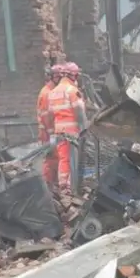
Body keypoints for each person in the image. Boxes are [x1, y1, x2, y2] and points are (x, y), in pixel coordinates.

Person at [47, 62, 86, 193]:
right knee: (73, 159)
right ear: (74, 75)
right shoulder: (72, 90)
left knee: (63, 159)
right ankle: (72, 187)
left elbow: (50, 114)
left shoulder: (53, 92)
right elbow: (79, 112)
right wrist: (84, 129)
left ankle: (63, 185)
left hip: (59, 131)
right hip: (72, 132)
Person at [37, 64, 63, 185]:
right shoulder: (47, 93)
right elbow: (46, 115)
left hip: (52, 132)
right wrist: (52, 133)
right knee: (51, 159)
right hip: (48, 133)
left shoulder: (52, 91)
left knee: (56, 159)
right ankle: (48, 185)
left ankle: (54, 184)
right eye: (59, 77)